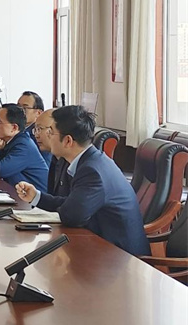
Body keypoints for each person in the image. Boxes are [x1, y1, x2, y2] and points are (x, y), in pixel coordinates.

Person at [16, 105, 150, 256]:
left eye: (50, 132)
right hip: (100, 246)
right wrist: (36, 197)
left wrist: (60, 206)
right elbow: (73, 204)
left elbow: (71, 216)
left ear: (68, 141)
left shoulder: (92, 171)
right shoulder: (89, 161)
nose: (47, 137)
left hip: (120, 257)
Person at [32, 109, 70, 197]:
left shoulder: (72, 163)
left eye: (40, 129)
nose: (36, 135)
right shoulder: (55, 158)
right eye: (35, 130)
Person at [18, 90, 52, 166]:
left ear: (38, 113)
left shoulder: (41, 134)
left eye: (24, 108)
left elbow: (45, 166)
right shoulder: (14, 129)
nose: (19, 111)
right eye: (18, 107)